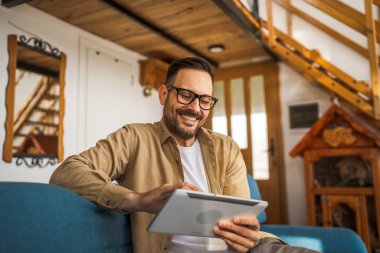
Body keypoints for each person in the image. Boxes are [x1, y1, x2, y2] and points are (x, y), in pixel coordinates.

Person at [50, 57, 318, 253]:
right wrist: (137, 200)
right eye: (186, 95)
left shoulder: (227, 148)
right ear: (164, 94)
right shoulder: (134, 138)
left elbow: (242, 222)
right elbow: (66, 172)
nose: (195, 108)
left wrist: (245, 236)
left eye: (205, 100)